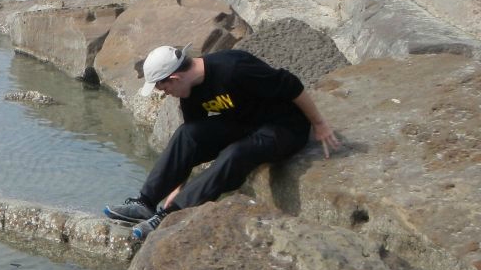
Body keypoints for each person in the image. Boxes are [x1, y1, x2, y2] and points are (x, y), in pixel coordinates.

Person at [104, 45, 341, 239]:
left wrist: (319, 124)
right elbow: (193, 145)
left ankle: (170, 216)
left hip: (285, 127)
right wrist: (177, 187)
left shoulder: (234, 68)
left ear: (175, 77)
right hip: (243, 123)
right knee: (187, 133)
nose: (165, 94)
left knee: (235, 154)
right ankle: (145, 203)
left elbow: (291, 84)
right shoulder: (190, 90)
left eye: (164, 88)